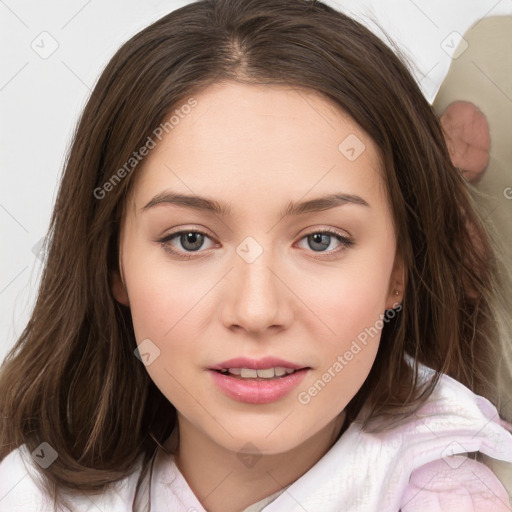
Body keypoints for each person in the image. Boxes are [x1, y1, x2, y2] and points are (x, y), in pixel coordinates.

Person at [1, 0, 511, 511]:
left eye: (321, 240)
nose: (256, 310)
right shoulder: (28, 492)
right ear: (115, 266)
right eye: (191, 239)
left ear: (397, 271)